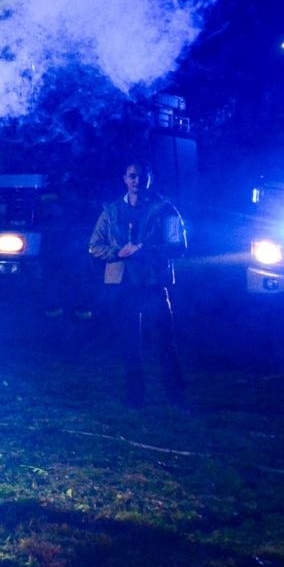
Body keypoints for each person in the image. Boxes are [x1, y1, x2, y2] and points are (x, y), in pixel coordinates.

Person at [87, 160, 187, 409]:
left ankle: (176, 398)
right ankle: (135, 398)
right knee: (128, 342)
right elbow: (94, 246)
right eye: (132, 176)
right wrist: (118, 252)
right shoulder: (110, 211)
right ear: (124, 178)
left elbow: (179, 246)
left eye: (141, 177)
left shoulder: (165, 209)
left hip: (153, 284)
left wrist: (147, 249)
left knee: (164, 341)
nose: (137, 181)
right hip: (122, 286)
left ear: (150, 179)